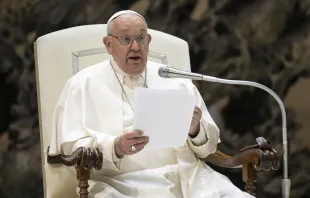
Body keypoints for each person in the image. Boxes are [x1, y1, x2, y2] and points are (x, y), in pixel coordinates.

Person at [49, 10, 254, 198]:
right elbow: (70, 148)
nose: (135, 46)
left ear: (148, 41)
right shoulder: (81, 85)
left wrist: (195, 130)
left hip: (190, 178)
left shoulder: (175, 79)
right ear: (108, 44)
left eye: (140, 38)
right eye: (126, 39)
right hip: (120, 185)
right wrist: (115, 147)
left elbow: (208, 148)